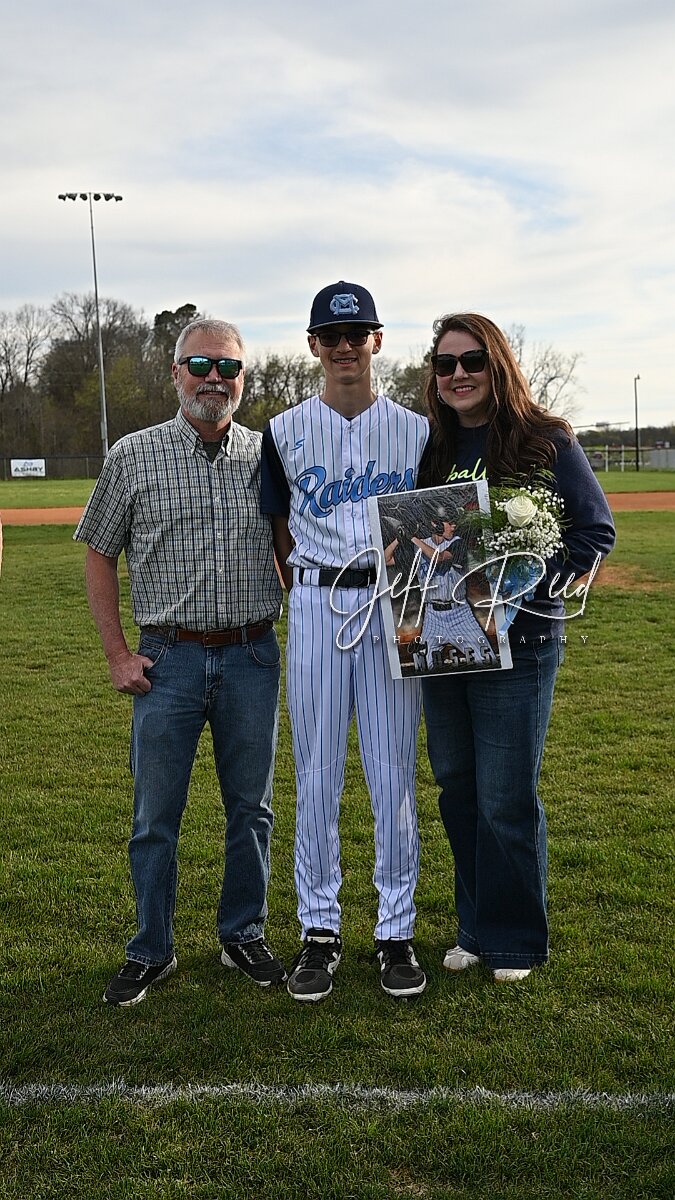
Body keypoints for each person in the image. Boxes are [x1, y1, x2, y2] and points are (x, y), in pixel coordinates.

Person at [74, 318, 286, 1006]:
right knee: (154, 815)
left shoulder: (269, 453)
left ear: (243, 378)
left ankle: (242, 934)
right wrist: (117, 654)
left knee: (251, 810)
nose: (214, 378)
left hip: (252, 652)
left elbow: (292, 550)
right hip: (167, 657)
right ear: (175, 372)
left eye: (228, 367)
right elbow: (99, 553)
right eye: (200, 365)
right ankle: (151, 948)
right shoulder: (133, 455)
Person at [417, 312, 615, 982]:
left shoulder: (545, 438)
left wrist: (524, 586)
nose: (459, 374)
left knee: (505, 796)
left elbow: (594, 531)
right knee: (457, 788)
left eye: (471, 360)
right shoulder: (434, 446)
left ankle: (514, 939)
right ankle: (474, 929)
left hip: (521, 643)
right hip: (445, 636)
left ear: (496, 364)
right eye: (445, 364)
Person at [261, 282, 429, 1001]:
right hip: (316, 601)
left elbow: (438, 523)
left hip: (396, 603)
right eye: (330, 337)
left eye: (356, 334)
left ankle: (396, 931)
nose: (344, 347)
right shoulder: (283, 430)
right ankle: (319, 931)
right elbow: (277, 525)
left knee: (393, 775)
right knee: (317, 773)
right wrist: (304, 581)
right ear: (313, 346)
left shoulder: (418, 431)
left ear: (376, 341)